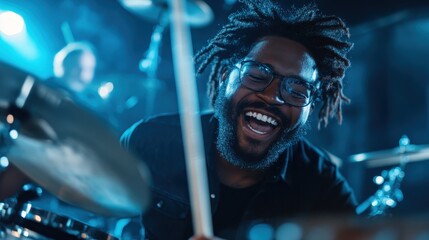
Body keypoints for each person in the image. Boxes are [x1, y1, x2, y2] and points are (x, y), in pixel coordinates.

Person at [120, 1, 357, 239]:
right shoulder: (148, 142)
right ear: (225, 77)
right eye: (256, 75)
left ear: (310, 108)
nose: (272, 96)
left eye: (297, 90)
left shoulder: (325, 190)